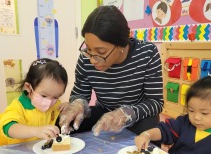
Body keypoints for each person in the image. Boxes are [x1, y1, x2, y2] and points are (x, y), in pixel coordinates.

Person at [59, 5, 164, 136]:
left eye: (100, 52)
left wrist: (127, 113)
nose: (92, 59)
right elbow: (80, 93)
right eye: (89, 49)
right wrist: (78, 104)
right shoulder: (86, 58)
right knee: (67, 123)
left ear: (122, 44)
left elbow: (155, 102)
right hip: (104, 111)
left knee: (150, 134)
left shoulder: (147, 53)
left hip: (138, 115)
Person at [0, 58, 68, 144]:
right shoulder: (18, 106)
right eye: (44, 95)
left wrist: (66, 108)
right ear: (28, 87)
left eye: (56, 97)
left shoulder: (55, 104)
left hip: (45, 152)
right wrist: (36, 131)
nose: (49, 102)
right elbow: (8, 128)